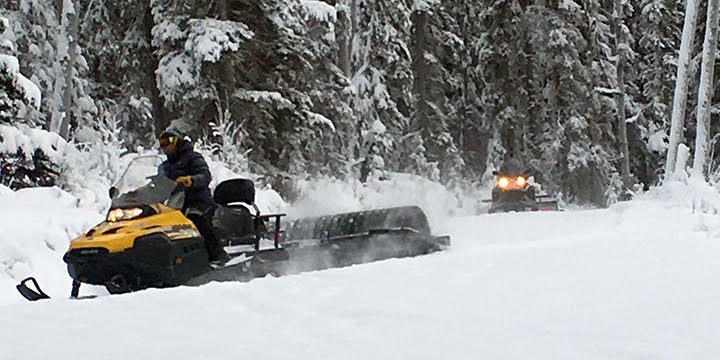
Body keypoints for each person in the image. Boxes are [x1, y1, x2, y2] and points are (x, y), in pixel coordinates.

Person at [157, 130, 229, 265]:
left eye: (168, 142)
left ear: (177, 141)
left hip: (197, 200)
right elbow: (157, 185)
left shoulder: (193, 158)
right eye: (162, 144)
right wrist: (136, 194)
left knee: (195, 219)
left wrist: (192, 180)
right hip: (175, 204)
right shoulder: (165, 167)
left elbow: (205, 175)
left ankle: (218, 255)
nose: (165, 146)